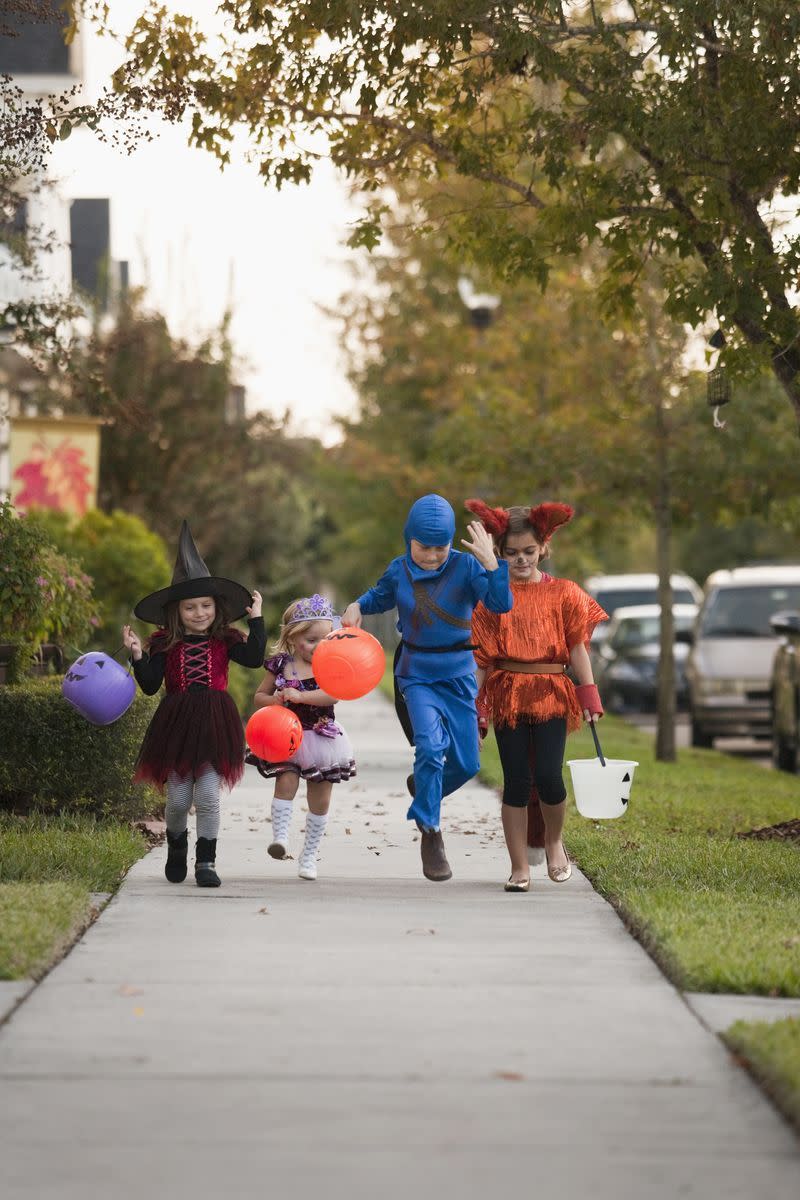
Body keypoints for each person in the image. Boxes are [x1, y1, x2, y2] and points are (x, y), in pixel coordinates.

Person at [341, 494, 513, 882]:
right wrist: (356, 605)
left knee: (467, 763)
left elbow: (501, 605)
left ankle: (423, 788)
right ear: (409, 540)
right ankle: (431, 831)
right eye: (424, 547)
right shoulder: (400, 569)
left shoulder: (468, 567)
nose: (433, 555)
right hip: (416, 672)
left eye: (441, 547)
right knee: (431, 747)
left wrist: (491, 563)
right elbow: (379, 597)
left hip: (458, 673)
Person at [467, 498, 607, 892]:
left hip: (551, 691)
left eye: (529, 551)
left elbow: (578, 647)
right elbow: (481, 658)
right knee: (516, 779)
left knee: (548, 776)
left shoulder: (565, 593)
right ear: (499, 553)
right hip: (508, 691)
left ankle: (553, 841)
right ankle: (518, 867)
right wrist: (474, 704)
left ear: (543, 548)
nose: (521, 559)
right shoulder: (493, 599)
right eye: (511, 553)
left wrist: (589, 695)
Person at [123, 520, 266, 889]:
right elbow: (152, 686)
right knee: (177, 799)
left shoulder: (225, 639)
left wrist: (258, 620)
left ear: (216, 609)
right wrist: (139, 656)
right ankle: (176, 846)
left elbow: (253, 657)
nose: (199, 613)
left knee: (207, 794)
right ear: (176, 611)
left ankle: (206, 861)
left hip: (216, 722)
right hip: (176, 724)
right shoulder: (163, 644)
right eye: (190, 608)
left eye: (206, 606)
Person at [249, 594, 355, 881]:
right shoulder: (281, 664)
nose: (318, 646)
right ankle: (280, 837)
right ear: (294, 638)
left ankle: (309, 856)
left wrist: (301, 695)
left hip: (321, 737)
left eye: (324, 639)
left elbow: (334, 695)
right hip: (284, 736)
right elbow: (259, 696)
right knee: (286, 780)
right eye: (311, 640)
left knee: (320, 797)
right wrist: (276, 701)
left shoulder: (329, 663)